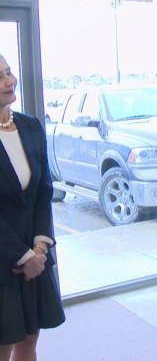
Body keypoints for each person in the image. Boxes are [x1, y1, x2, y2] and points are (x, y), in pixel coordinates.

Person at [0, 54, 65, 359]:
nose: (10, 81)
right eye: (0, 77)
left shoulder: (30, 126)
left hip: (33, 256)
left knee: (29, 341)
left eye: (8, 72)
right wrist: (24, 256)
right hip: (5, 259)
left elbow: (43, 192)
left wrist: (38, 249)